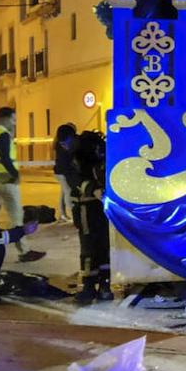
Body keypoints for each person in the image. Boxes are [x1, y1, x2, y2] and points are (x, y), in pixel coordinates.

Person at [0, 107, 43, 262]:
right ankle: (24, 251)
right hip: (5, 181)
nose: (14, 123)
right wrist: (15, 174)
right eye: (13, 119)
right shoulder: (2, 134)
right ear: (5, 119)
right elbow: (4, 158)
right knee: (16, 216)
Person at [72, 131, 112, 305]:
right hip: (98, 209)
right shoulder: (100, 159)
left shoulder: (80, 160)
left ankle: (89, 287)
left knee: (90, 248)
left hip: (88, 210)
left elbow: (78, 182)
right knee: (102, 247)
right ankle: (104, 286)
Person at [53, 123, 78, 224]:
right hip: (62, 172)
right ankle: (73, 215)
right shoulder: (64, 144)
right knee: (68, 192)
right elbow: (67, 159)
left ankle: (63, 214)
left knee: (63, 192)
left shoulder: (57, 142)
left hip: (58, 171)